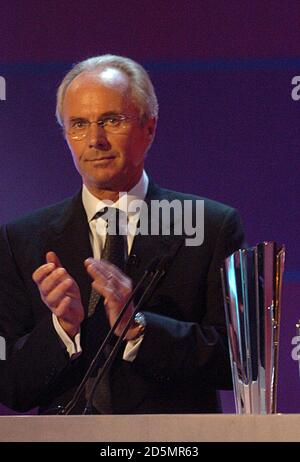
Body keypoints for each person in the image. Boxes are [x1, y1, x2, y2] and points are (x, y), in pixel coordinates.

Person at [0, 55, 245, 414]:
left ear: (149, 128)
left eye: (111, 120)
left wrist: (139, 327)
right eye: (79, 124)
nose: (95, 140)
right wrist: (62, 329)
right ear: (66, 135)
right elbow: (11, 387)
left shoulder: (210, 227)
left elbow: (239, 363)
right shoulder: (21, 240)